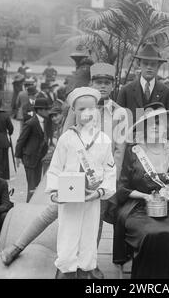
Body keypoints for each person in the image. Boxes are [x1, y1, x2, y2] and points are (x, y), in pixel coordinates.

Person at [45, 87, 116, 279]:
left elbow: (110, 170)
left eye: (91, 109)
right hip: (69, 199)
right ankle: (66, 270)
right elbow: (55, 167)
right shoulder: (66, 139)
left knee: (89, 235)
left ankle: (87, 269)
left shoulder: (103, 140)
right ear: (74, 111)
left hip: (92, 197)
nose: (86, 113)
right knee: (68, 234)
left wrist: (101, 191)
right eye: (81, 109)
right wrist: (53, 192)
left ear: (97, 110)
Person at [111, 102, 169, 279]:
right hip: (136, 206)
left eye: (160, 125)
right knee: (150, 233)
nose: (156, 129)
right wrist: (145, 196)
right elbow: (121, 188)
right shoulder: (133, 151)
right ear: (143, 129)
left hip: (167, 206)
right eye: (151, 125)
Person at [117, 43, 169, 124]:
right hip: (132, 135)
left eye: (153, 64)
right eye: (145, 63)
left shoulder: (167, 93)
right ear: (139, 64)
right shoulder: (126, 91)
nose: (149, 67)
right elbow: (119, 122)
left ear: (158, 65)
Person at [15, 98, 52, 202]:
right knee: (31, 186)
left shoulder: (47, 121)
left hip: (40, 157)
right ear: (39, 110)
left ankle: (34, 204)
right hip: (29, 157)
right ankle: (29, 205)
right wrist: (17, 156)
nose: (48, 111)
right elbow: (21, 140)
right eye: (46, 109)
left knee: (37, 185)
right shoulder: (31, 123)